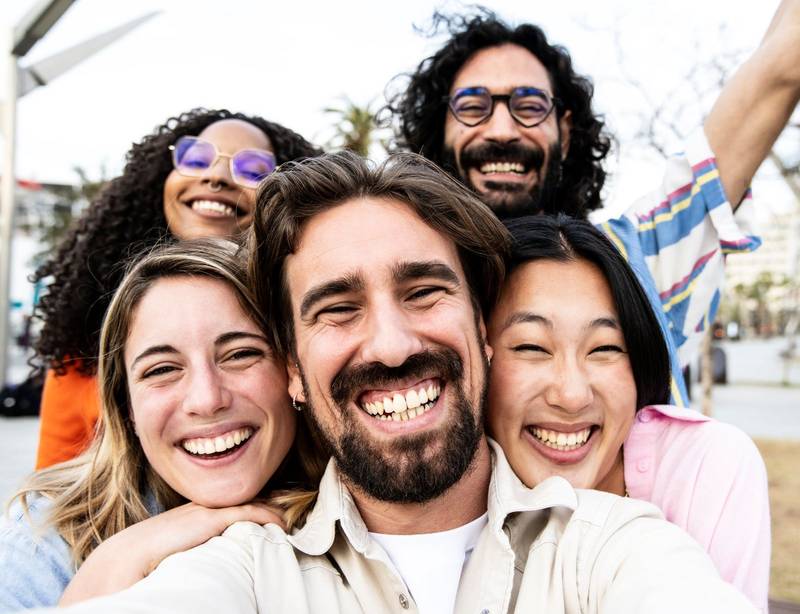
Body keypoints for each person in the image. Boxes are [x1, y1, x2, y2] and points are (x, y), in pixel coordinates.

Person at [34, 152, 757, 614]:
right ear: (290, 368)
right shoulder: (244, 570)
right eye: (337, 308)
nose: (390, 343)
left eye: (423, 292)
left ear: (483, 330)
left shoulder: (611, 547)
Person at [387, 1, 800, 406]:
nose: (501, 129)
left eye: (529, 106)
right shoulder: (390, 292)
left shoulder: (634, 266)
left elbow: (778, 69)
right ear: (439, 131)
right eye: (473, 107)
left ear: (564, 133)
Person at [0, 239, 324, 612]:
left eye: (240, 354)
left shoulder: (368, 507)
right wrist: (110, 568)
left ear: (292, 370)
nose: (206, 399)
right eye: (163, 370)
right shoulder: (42, 538)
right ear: (127, 408)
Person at [487, 215, 770, 611]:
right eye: (532, 347)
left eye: (604, 348)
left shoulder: (706, 465)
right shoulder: (454, 481)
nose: (571, 395)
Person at [31, 107, 321, 470]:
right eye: (196, 159)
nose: (217, 176)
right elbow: (49, 504)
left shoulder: (313, 323)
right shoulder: (83, 347)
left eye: (251, 169)